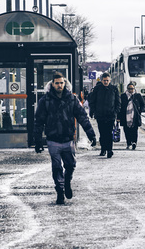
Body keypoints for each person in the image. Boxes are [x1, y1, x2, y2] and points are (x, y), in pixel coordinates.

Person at [33, 72, 97, 205]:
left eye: (61, 83)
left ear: (65, 83)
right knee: (56, 167)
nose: (59, 85)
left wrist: (91, 134)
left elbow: (82, 117)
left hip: (68, 138)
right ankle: (60, 191)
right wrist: (38, 140)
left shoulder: (72, 99)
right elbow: (38, 121)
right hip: (53, 139)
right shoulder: (45, 100)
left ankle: (67, 182)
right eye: (57, 83)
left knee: (70, 165)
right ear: (52, 84)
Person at [87, 72, 120, 158]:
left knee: (109, 133)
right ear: (101, 80)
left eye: (107, 80)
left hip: (110, 115)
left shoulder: (114, 89)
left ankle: (109, 150)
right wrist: (93, 112)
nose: (106, 82)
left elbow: (118, 102)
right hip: (100, 115)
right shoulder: (97, 89)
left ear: (110, 80)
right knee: (102, 133)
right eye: (104, 80)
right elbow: (92, 101)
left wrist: (115, 112)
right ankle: (103, 149)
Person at [118, 82, 145, 150]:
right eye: (129, 89)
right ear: (127, 89)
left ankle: (134, 142)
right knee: (126, 130)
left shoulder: (137, 95)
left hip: (134, 116)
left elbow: (142, 104)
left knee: (134, 130)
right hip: (125, 116)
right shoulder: (123, 96)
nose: (131, 90)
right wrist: (118, 117)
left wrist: (140, 111)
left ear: (134, 89)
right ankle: (128, 142)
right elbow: (119, 106)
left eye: (132, 89)